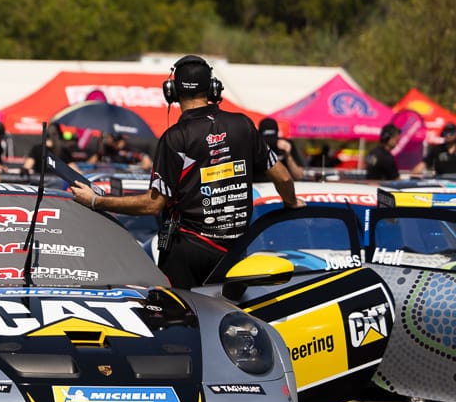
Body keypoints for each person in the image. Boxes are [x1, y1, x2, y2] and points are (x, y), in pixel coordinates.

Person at [69, 55, 304, 289]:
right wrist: (291, 202)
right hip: (235, 252)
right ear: (213, 89)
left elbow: (153, 205)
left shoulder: (175, 138)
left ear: (171, 92)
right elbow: (283, 176)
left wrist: (96, 201)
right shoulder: (243, 124)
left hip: (188, 251)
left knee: (178, 321)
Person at [87, 132, 153, 170]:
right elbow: (90, 163)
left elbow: (147, 162)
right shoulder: (106, 148)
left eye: (108, 137)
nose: (106, 139)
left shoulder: (130, 149)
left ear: (115, 137)